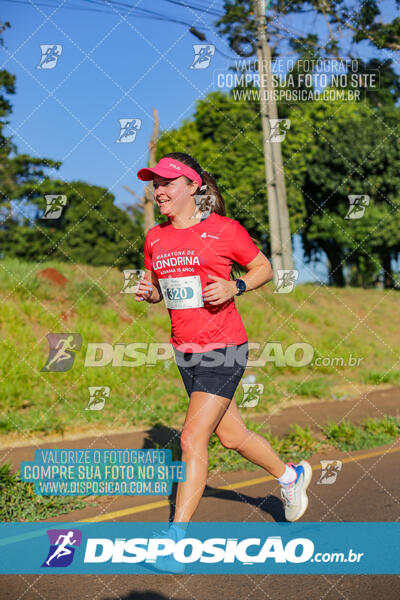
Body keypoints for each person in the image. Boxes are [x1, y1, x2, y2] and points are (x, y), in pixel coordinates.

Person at [135, 153, 312, 563]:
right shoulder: (154, 238)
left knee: (191, 437)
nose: (158, 190)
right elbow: (163, 289)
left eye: (167, 183)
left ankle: (175, 541)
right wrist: (151, 293)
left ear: (193, 186)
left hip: (224, 347)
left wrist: (236, 287)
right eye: (154, 184)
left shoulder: (224, 230)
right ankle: (291, 476)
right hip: (186, 350)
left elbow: (263, 267)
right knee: (231, 436)